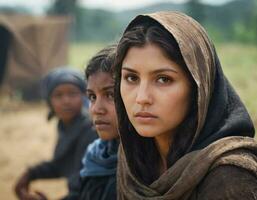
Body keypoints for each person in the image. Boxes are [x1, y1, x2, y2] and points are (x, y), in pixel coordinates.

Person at [113, 11, 257, 199]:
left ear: (199, 87)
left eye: (164, 79)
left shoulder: (229, 178)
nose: (141, 98)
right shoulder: (133, 157)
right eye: (131, 78)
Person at [14, 67, 97, 200]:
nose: (66, 101)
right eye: (58, 95)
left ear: (84, 96)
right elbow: (62, 163)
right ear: (49, 101)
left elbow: (84, 189)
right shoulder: (65, 126)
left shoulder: (90, 130)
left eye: (73, 93)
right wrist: (30, 174)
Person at [63, 45, 119, 200]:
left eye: (110, 95)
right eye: (92, 97)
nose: (96, 109)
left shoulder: (146, 167)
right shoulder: (95, 154)